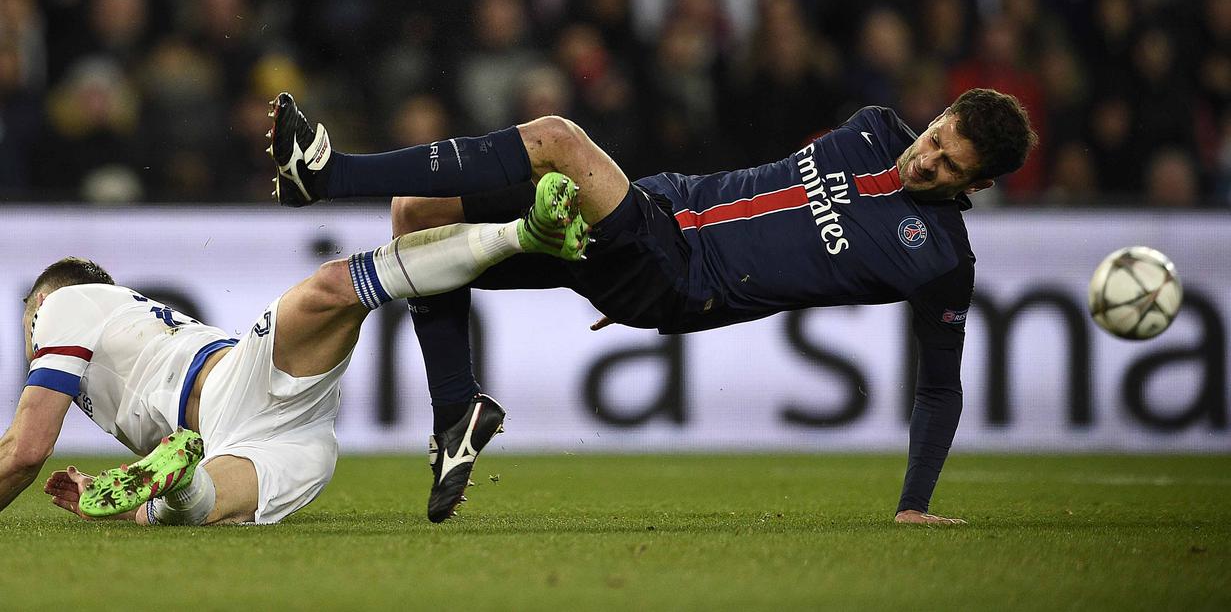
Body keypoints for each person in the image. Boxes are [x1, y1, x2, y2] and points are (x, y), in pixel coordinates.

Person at [269, 87, 1037, 525]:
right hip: (655, 213)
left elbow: (939, 385)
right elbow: (770, 211)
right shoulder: (870, 129)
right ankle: (454, 411)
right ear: (936, 117)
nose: (925, 159)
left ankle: (328, 175)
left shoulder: (938, 260)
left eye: (947, 167)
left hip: (672, 273)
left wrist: (913, 504)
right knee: (417, 213)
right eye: (936, 138)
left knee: (557, 139)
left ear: (975, 188)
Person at [0, 166, 591, 524]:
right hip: (300, 444)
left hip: (236, 382)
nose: (31, 342)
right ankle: (173, 480)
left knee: (334, 285)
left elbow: (25, 452)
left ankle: (525, 233)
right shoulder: (111, 335)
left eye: (29, 323)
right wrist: (100, 500)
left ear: (41, 309)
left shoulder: (65, 305)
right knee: (193, 509)